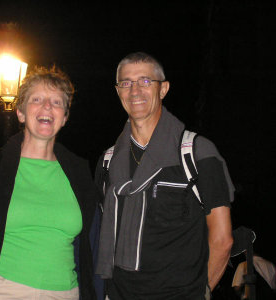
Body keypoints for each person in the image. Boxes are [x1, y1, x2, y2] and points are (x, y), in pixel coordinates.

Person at [95, 52, 235, 300]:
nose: (135, 91)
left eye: (145, 81)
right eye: (126, 83)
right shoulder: (108, 161)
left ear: (164, 89)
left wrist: (202, 291)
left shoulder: (197, 152)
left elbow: (222, 240)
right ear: (118, 91)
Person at [0, 66, 102, 299]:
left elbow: (94, 246)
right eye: (37, 99)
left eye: (57, 102)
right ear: (20, 113)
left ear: (65, 117)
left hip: (64, 292)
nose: (47, 106)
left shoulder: (80, 177)